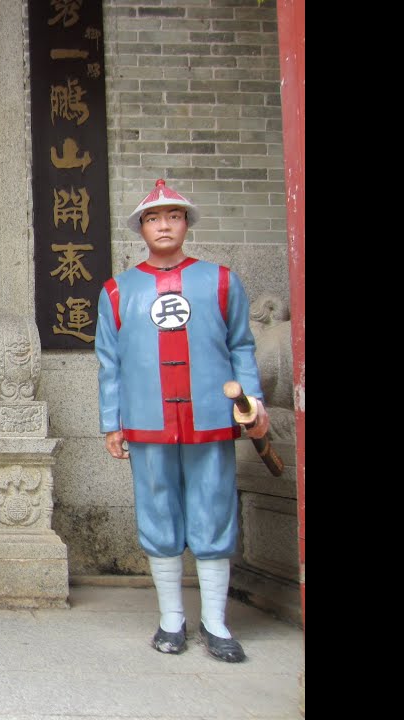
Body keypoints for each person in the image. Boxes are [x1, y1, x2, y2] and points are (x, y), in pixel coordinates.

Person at [94, 179, 269, 663]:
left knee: (214, 507)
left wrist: (251, 401)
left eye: (173, 216)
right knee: (157, 510)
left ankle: (216, 621)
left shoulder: (221, 281)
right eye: (154, 218)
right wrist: (112, 422)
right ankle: (172, 618)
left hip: (211, 414)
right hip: (147, 418)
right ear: (141, 229)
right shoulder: (117, 291)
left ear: (186, 223)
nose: (164, 225)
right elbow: (109, 363)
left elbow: (242, 346)